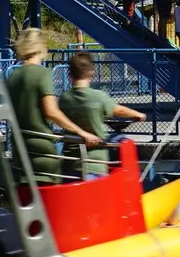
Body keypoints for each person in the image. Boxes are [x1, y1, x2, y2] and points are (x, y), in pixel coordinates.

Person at [6, 28, 102, 183]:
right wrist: (81, 132)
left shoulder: (12, 76)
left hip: (19, 150)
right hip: (42, 152)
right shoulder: (42, 73)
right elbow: (51, 112)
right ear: (40, 47)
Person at [58, 51, 146, 179]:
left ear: (70, 74)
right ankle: (133, 180)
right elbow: (117, 110)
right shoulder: (99, 97)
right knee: (123, 141)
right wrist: (138, 115)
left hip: (70, 165)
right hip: (94, 165)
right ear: (91, 73)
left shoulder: (64, 98)